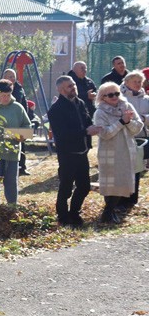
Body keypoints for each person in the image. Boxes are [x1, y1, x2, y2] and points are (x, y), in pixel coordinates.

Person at [47, 76, 99, 227]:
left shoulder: (80, 103)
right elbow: (63, 136)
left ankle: (74, 212)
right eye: (70, 86)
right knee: (66, 187)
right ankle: (62, 216)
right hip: (67, 154)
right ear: (61, 89)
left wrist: (96, 127)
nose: (73, 88)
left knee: (84, 186)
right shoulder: (55, 110)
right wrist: (85, 132)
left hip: (82, 152)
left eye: (74, 85)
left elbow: (87, 121)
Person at [93, 81, 144, 223]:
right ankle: (108, 212)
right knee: (111, 184)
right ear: (103, 97)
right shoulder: (100, 112)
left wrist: (128, 122)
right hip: (109, 152)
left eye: (117, 93)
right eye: (111, 95)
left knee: (123, 181)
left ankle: (110, 211)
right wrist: (122, 122)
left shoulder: (126, 106)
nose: (115, 97)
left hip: (127, 150)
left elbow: (137, 127)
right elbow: (105, 134)